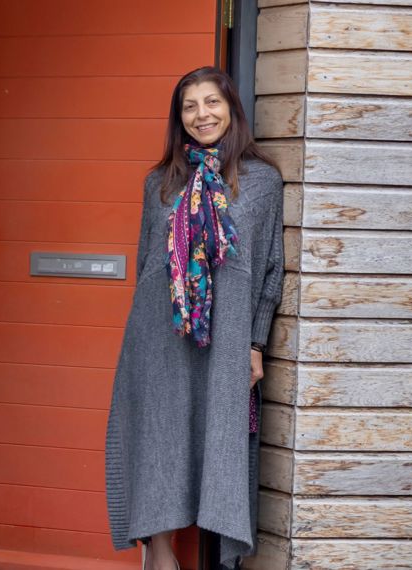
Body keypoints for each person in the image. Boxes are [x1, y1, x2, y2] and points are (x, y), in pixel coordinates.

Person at [104, 66, 284, 570]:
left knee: (221, 440)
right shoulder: (159, 183)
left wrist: (255, 343)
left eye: (211, 102)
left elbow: (271, 268)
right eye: (189, 106)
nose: (201, 114)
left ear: (231, 109)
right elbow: (147, 263)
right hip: (161, 333)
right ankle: (160, 553)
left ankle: (222, 556)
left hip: (227, 337)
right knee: (159, 436)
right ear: (178, 117)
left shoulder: (262, 182)